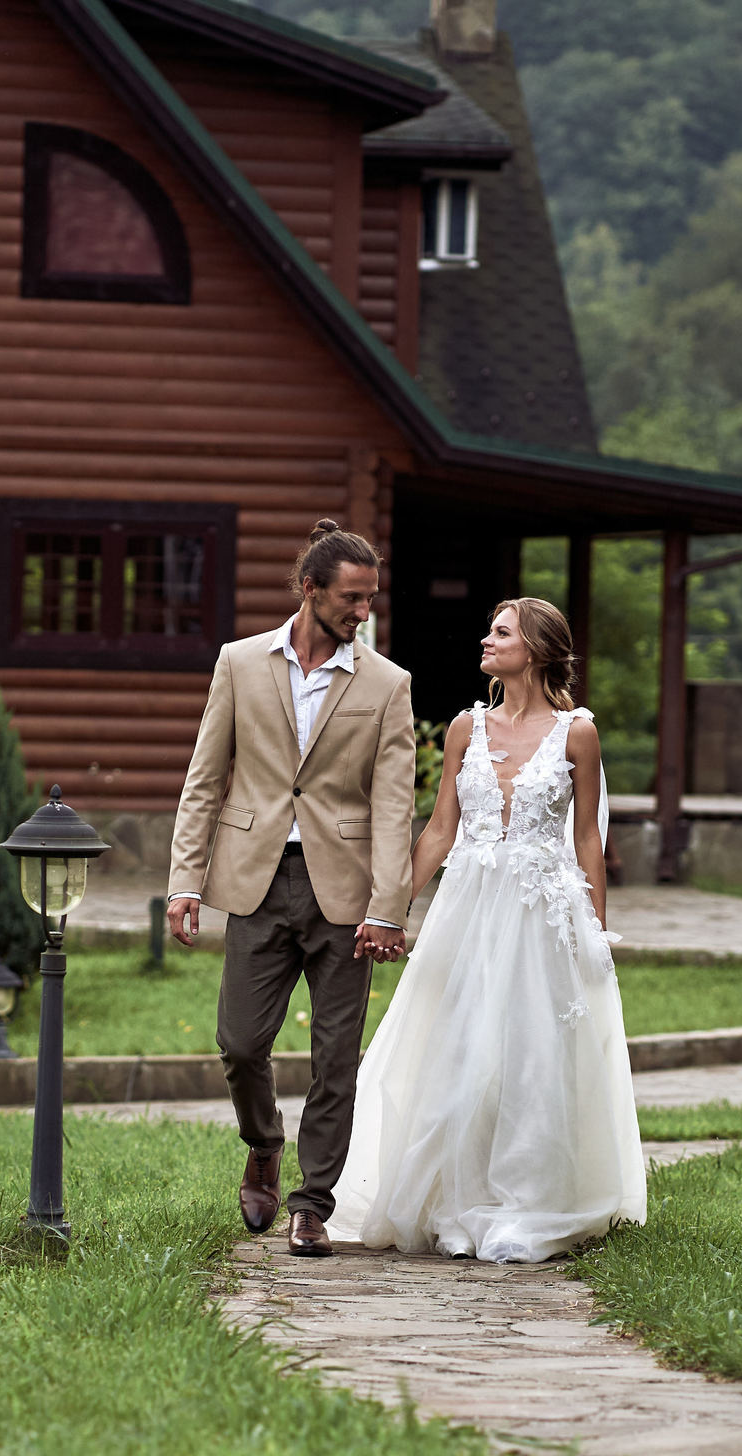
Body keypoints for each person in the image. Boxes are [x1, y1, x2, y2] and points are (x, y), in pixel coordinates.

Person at [329, 596, 644, 1263]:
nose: (486, 639)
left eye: (500, 632)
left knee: (531, 1061)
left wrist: (595, 932)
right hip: (468, 910)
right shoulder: (466, 728)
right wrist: (391, 908)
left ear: (533, 647)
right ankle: (451, 1198)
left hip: (539, 914)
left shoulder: (576, 733)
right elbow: (440, 829)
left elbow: (587, 839)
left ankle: (529, 1200)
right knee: (458, 1050)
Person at [165, 520, 417, 1257]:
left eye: (369, 599)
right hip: (256, 880)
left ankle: (312, 1204)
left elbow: (395, 804)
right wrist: (185, 881)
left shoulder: (388, 683)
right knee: (241, 1043)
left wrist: (388, 906)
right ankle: (264, 1144)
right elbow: (204, 779)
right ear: (309, 590)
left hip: (346, 894)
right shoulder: (239, 663)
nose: (361, 612)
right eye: (350, 597)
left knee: (337, 1058)